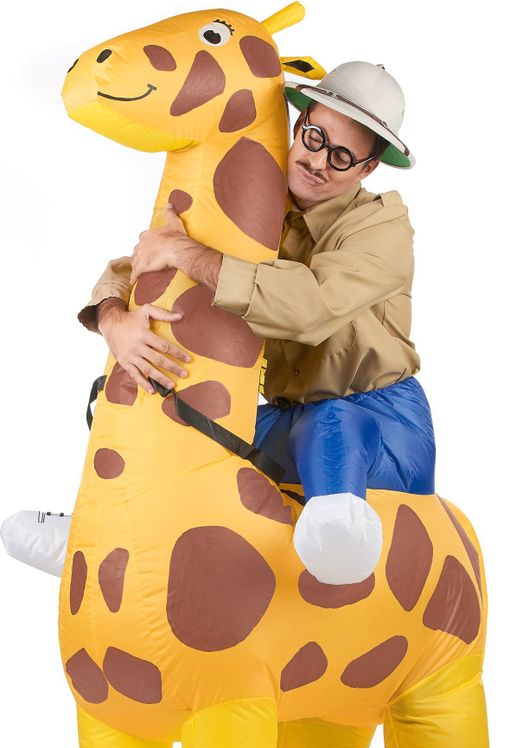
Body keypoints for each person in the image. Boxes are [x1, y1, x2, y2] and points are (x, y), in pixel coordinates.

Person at [77, 62, 435, 585]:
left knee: (331, 423)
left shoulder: (383, 228)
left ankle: (340, 544)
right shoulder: (261, 208)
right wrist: (115, 320)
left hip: (382, 422)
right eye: (314, 137)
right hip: (291, 421)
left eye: (341, 156)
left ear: (367, 169)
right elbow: (136, 265)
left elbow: (307, 307)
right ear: (299, 125)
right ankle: (103, 534)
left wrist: (188, 253)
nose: (318, 161)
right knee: (179, 425)